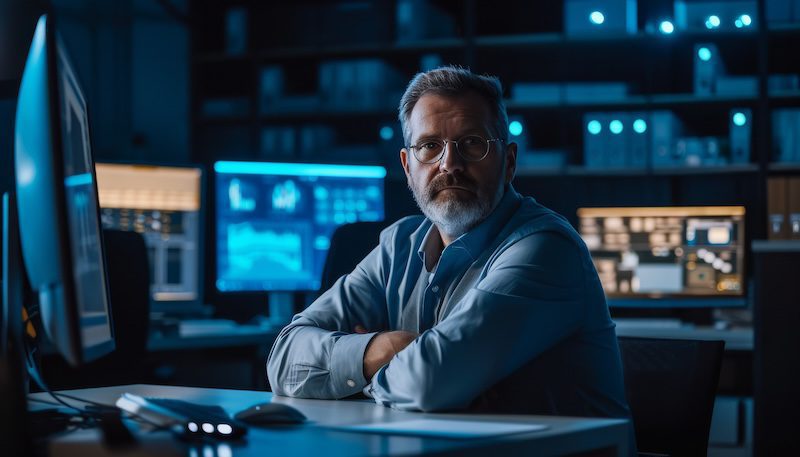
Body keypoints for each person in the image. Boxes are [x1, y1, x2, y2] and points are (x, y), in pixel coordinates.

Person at [267, 66, 631, 421]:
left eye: (472, 144)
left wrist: (354, 372)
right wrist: (382, 350)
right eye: (429, 146)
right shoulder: (398, 247)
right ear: (408, 166)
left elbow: (427, 382)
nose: (450, 164)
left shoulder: (546, 249)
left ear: (509, 161)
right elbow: (284, 360)